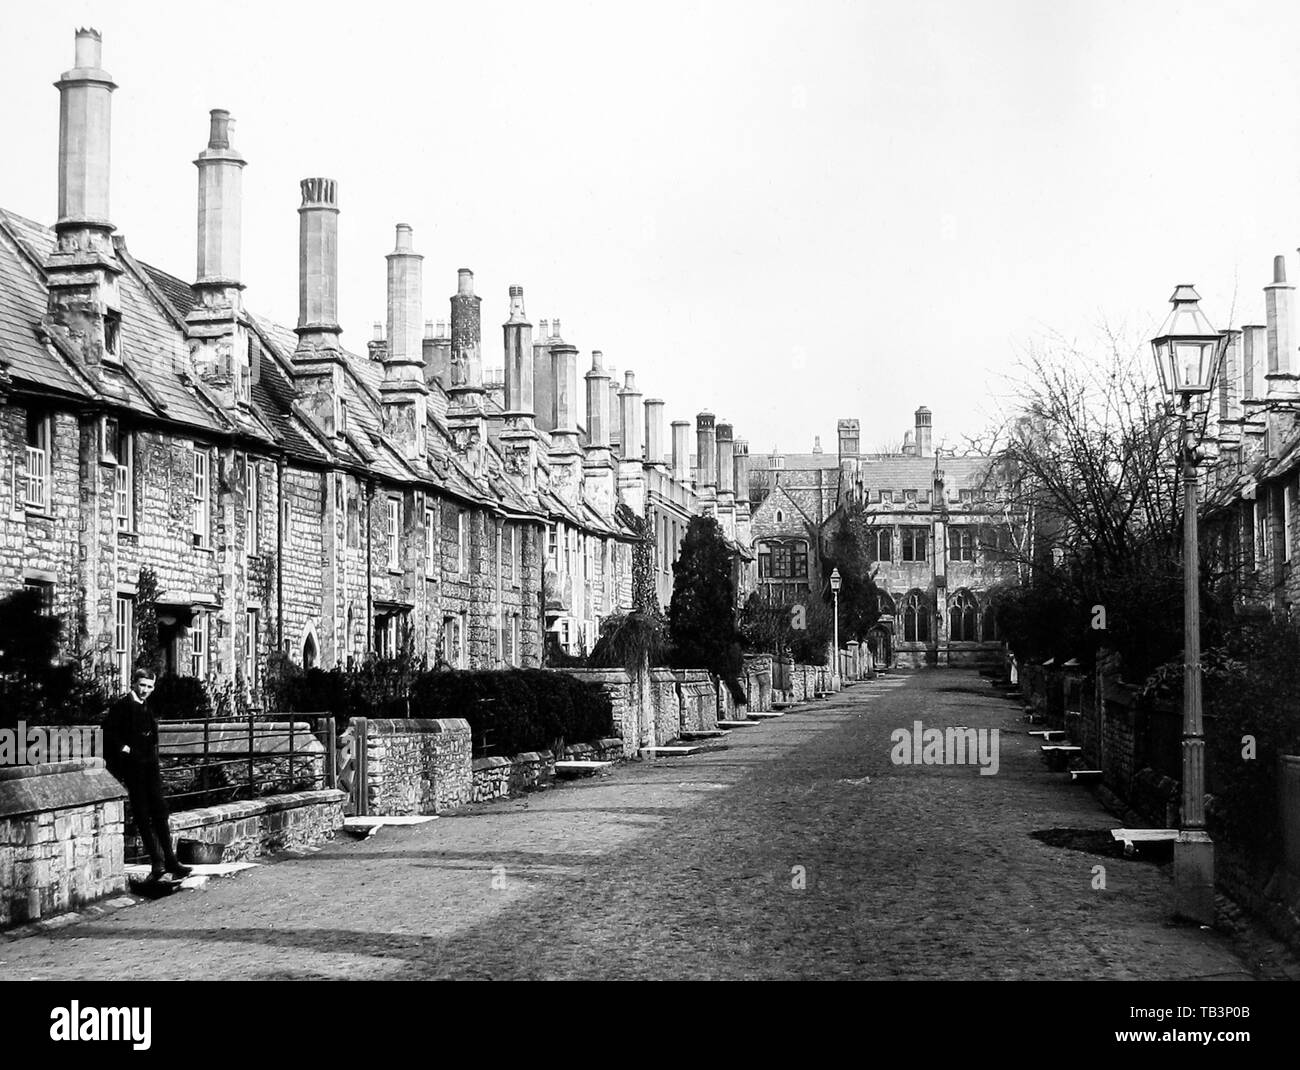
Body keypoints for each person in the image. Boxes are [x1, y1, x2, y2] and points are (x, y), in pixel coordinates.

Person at [102, 668, 191, 883]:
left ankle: (170, 860)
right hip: (133, 768)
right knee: (142, 813)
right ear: (134, 683)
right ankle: (156, 861)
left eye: (149, 687)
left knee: (160, 811)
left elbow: (151, 737)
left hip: (150, 767)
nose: (145, 691)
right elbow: (108, 733)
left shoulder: (146, 708)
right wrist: (125, 749)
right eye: (142, 685)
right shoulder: (122, 707)